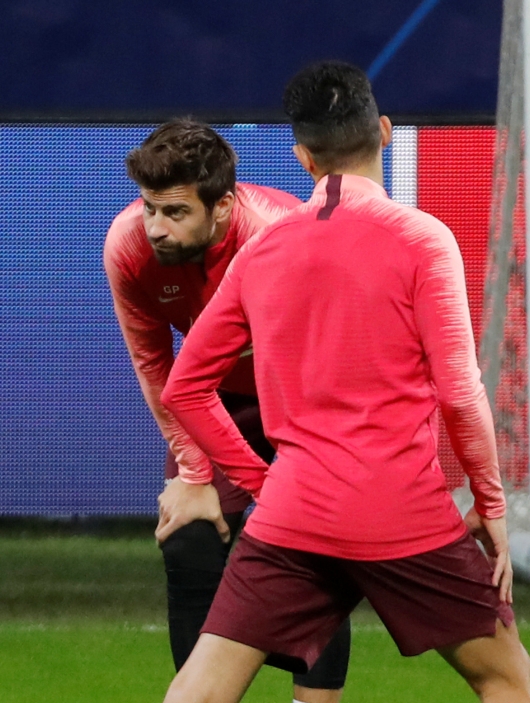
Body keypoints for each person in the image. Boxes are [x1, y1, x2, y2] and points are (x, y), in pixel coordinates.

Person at [157, 61, 530, 703]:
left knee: (199, 690)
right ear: (384, 131)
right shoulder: (423, 240)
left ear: (302, 156)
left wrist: (262, 482)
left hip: (293, 514)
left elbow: (183, 388)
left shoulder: (261, 252)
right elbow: (459, 394)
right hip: (403, 511)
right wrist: (490, 503)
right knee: (505, 676)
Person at [103, 119, 350, 703]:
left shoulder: (281, 239)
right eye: (149, 208)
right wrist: (195, 473)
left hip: (300, 396)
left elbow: (322, 360)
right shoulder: (129, 247)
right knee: (188, 538)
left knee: (315, 548)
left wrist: (292, 480)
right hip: (211, 399)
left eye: (175, 212)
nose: (155, 227)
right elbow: (155, 364)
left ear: (222, 207)